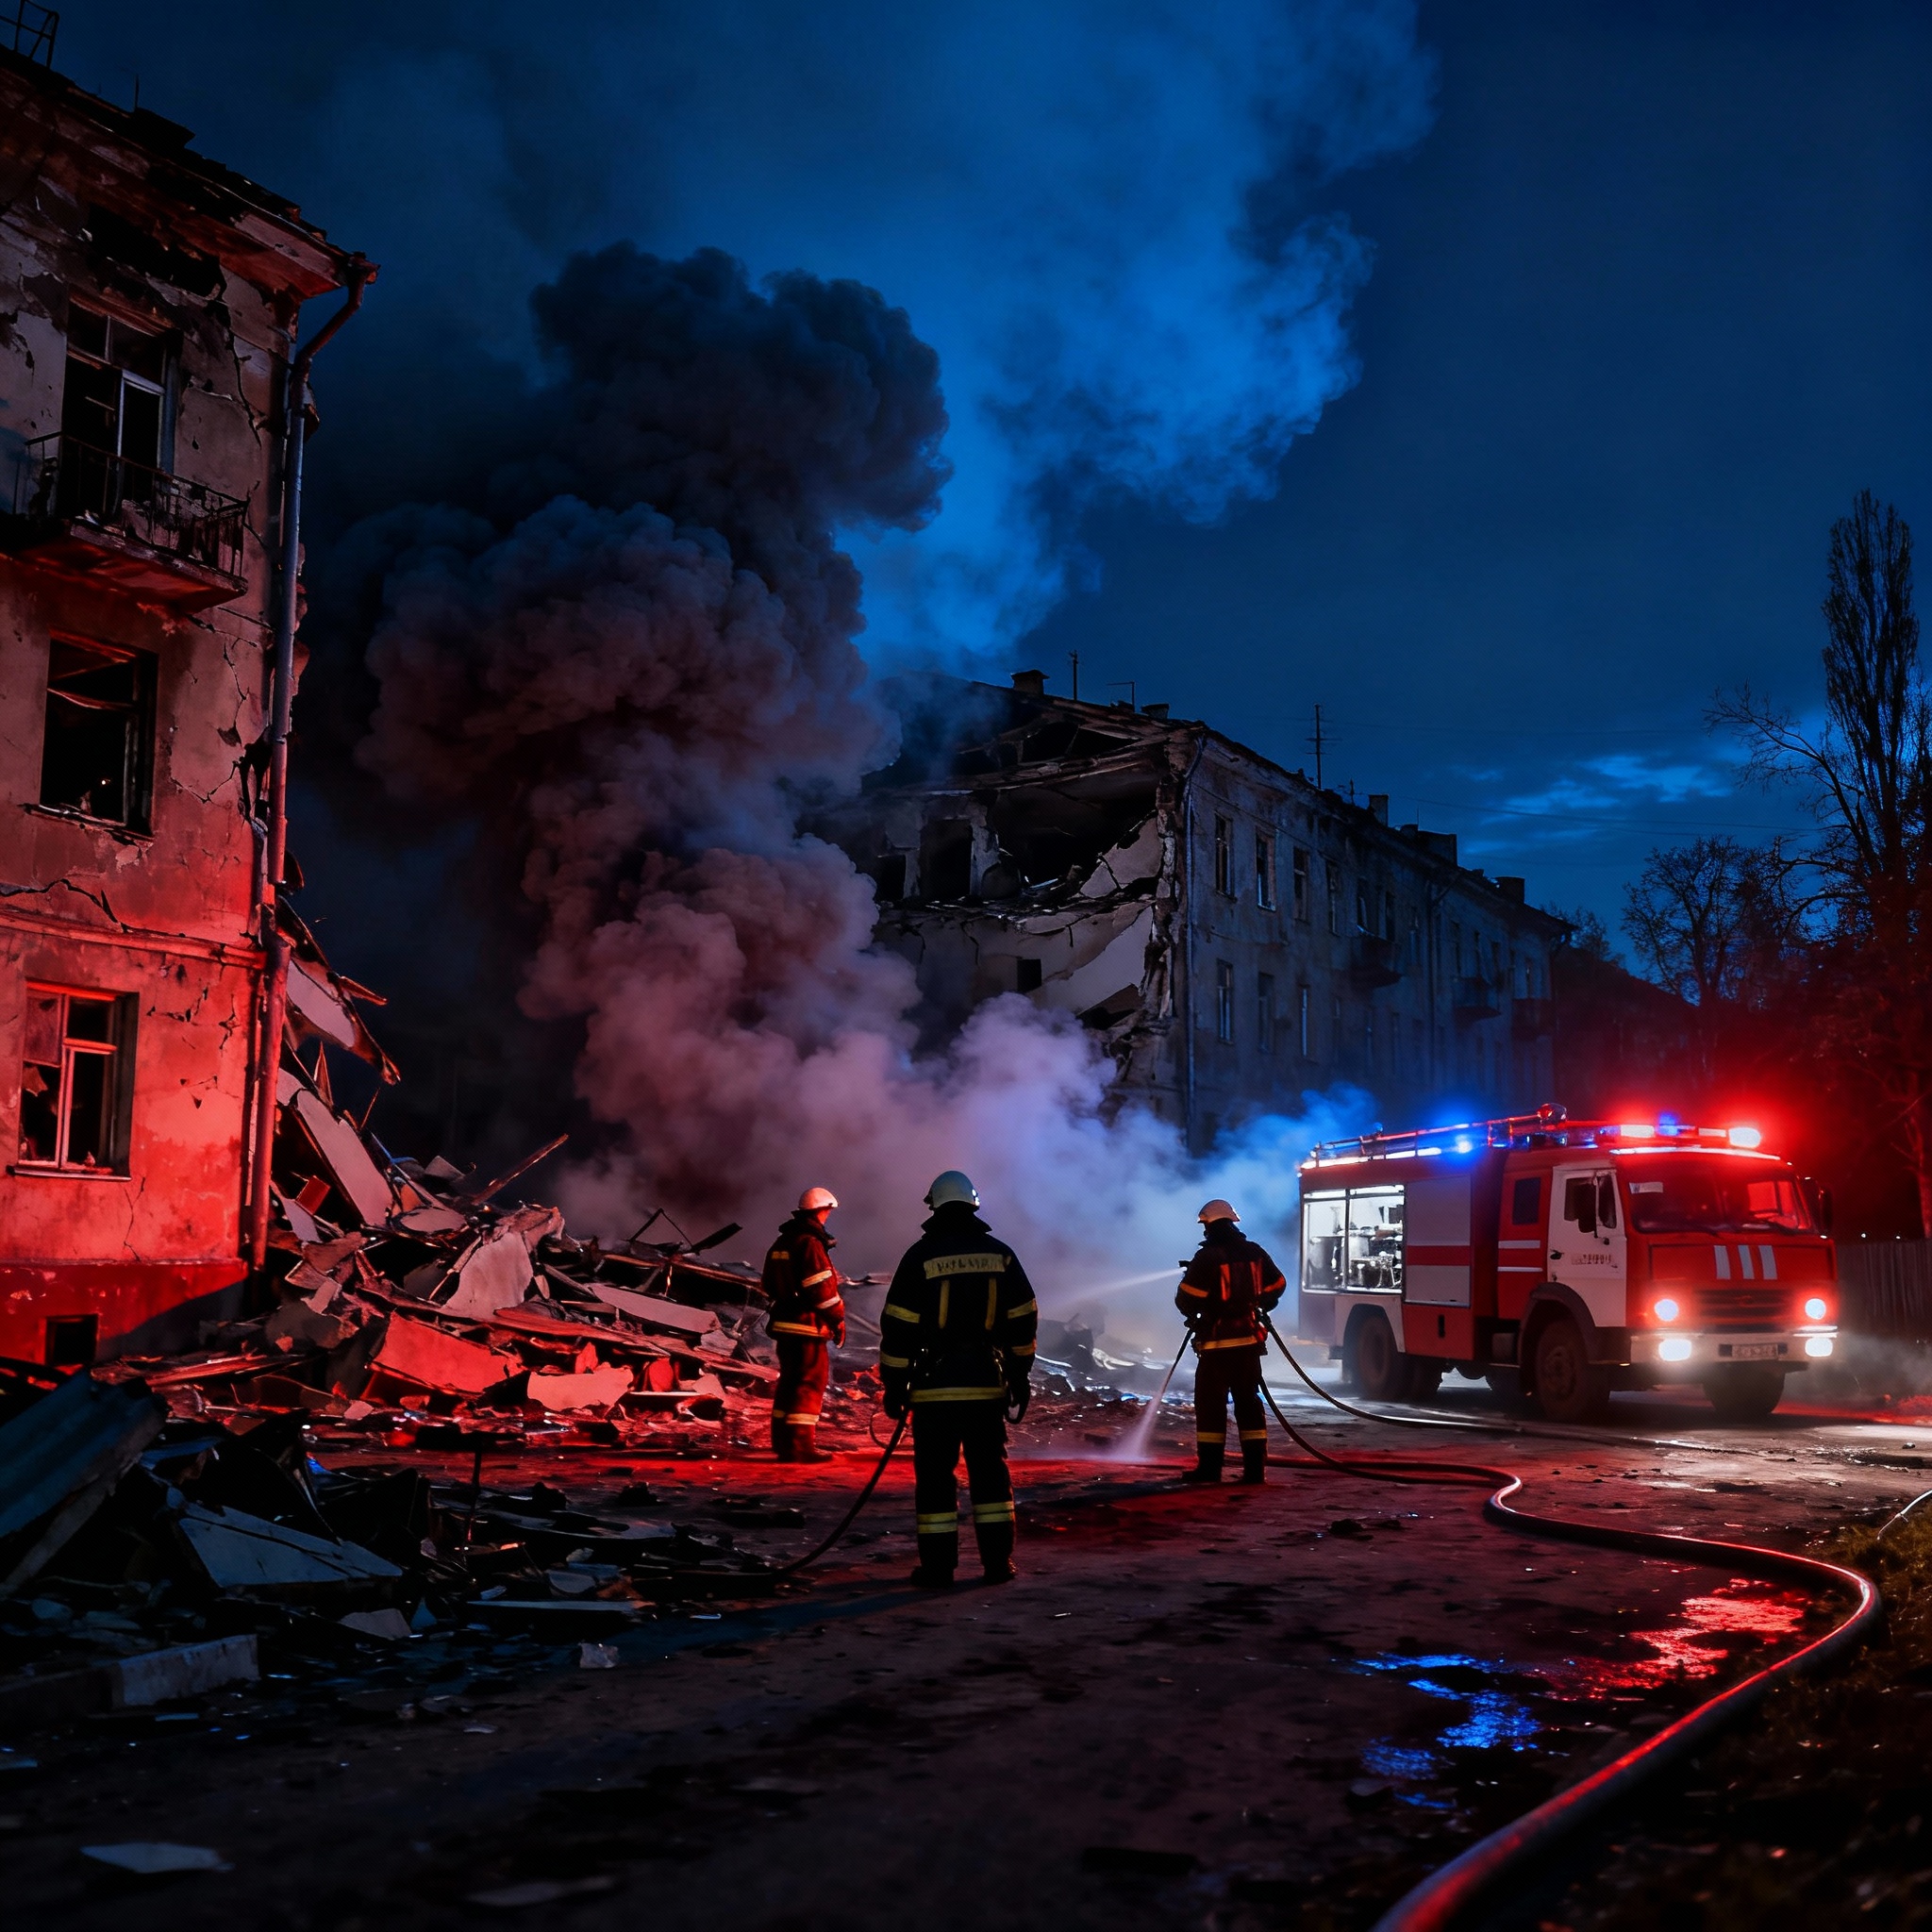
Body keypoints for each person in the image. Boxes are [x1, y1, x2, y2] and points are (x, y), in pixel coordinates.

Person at [878, 1171, 1038, 1586]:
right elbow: (1023, 1318)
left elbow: (899, 1326)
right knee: (990, 1474)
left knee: (934, 1480)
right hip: (986, 1385)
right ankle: (998, 1563)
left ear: (934, 1206)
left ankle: (938, 1568)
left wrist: (894, 1384)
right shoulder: (1000, 1255)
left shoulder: (919, 1257)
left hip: (933, 1390)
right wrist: (1019, 1375)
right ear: (973, 1204)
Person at [1176, 1198, 1286, 1484]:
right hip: (1248, 1344)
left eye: (1205, 1226)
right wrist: (1259, 1304)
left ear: (1210, 1225)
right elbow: (1277, 1284)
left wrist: (1200, 1314)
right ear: (1233, 1223)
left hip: (1216, 1346)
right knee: (1249, 1404)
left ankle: (1210, 1471)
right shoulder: (1254, 1252)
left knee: (1211, 1406)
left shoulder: (1207, 1257)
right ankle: (1254, 1472)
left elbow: (1186, 1299)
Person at [761, 1185, 846, 1463]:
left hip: (785, 1325)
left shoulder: (782, 1242)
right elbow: (821, 1290)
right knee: (809, 1382)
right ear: (822, 1211)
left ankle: (783, 1444)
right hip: (807, 1326)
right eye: (828, 1212)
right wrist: (838, 1320)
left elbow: (768, 1284)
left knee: (789, 1383)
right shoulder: (810, 1243)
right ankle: (801, 1447)